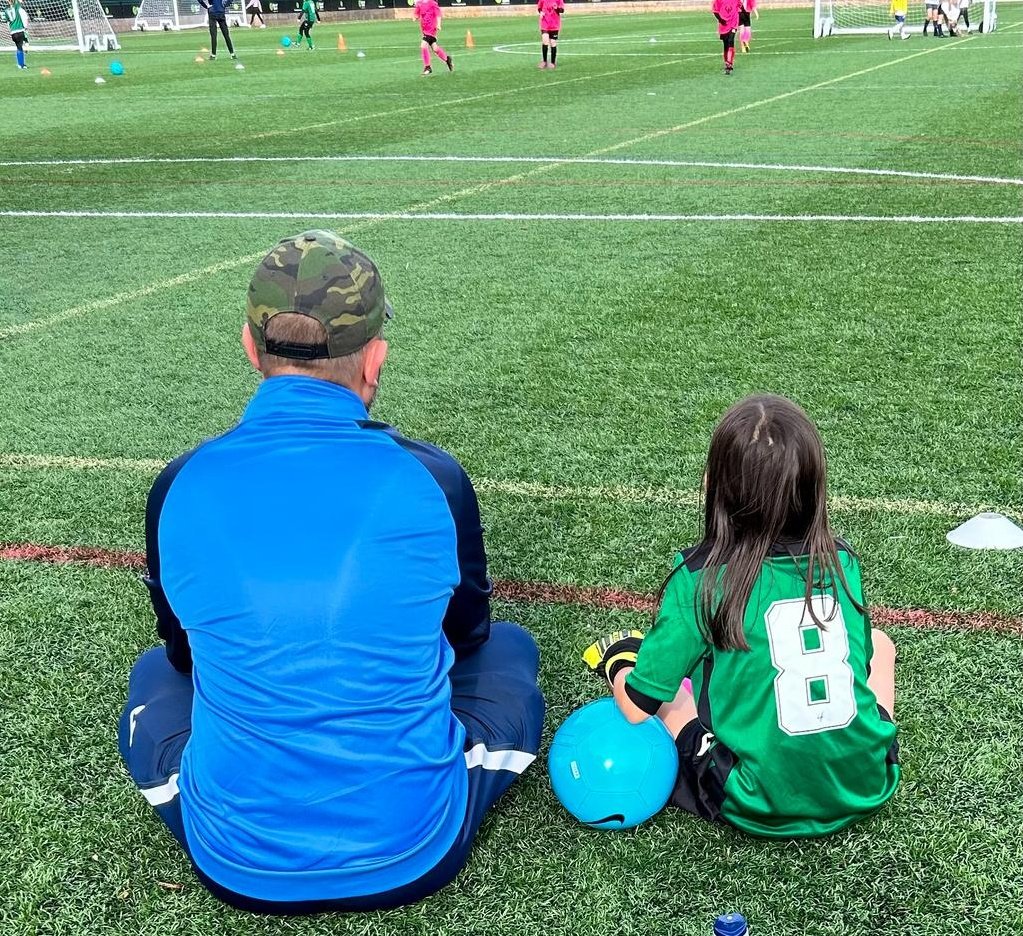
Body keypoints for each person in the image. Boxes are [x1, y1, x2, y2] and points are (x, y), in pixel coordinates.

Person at [117, 231, 544, 914]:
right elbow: (468, 636)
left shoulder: (179, 483)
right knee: (512, 651)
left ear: (249, 347)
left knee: (152, 675)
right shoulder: (432, 478)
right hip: (413, 850)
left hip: (234, 862)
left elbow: (183, 655)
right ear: (375, 359)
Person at [583, 395, 900, 838]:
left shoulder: (700, 578)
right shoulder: (841, 560)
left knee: (673, 699)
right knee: (881, 644)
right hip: (870, 779)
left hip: (755, 798)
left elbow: (637, 710)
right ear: (814, 489)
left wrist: (619, 660)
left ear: (714, 484)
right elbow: (861, 662)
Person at [413, 0, 452, 76]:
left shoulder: (432, 3)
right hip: (424, 29)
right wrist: (415, 17)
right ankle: (447, 60)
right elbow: (416, 13)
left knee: (423, 45)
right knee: (435, 48)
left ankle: (428, 67)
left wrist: (438, 24)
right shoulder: (419, 3)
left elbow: (438, 14)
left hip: (432, 28)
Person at [711, 0, 740, 75]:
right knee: (726, 44)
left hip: (733, 23)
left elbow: (740, 7)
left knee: (731, 41)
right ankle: (726, 62)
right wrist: (721, 20)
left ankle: (729, 63)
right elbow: (715, 11)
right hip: (724, 25)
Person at [537, 0, 564, 70]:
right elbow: (539, 8)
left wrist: (557, 8)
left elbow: (562, 10)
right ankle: (544, 61)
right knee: (545, 41)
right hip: (545, 23)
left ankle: (552, 62)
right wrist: (541, 13)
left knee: (553, 42)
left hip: (554, 25)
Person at [3, 0, 28, 70]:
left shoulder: (6, 10)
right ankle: (21, 64)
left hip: (13, 32)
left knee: (18, 47)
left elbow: (8, 22)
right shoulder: (16, 6)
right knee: (20, 48)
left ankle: (20, 64)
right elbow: (20, 1)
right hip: (19, 29)